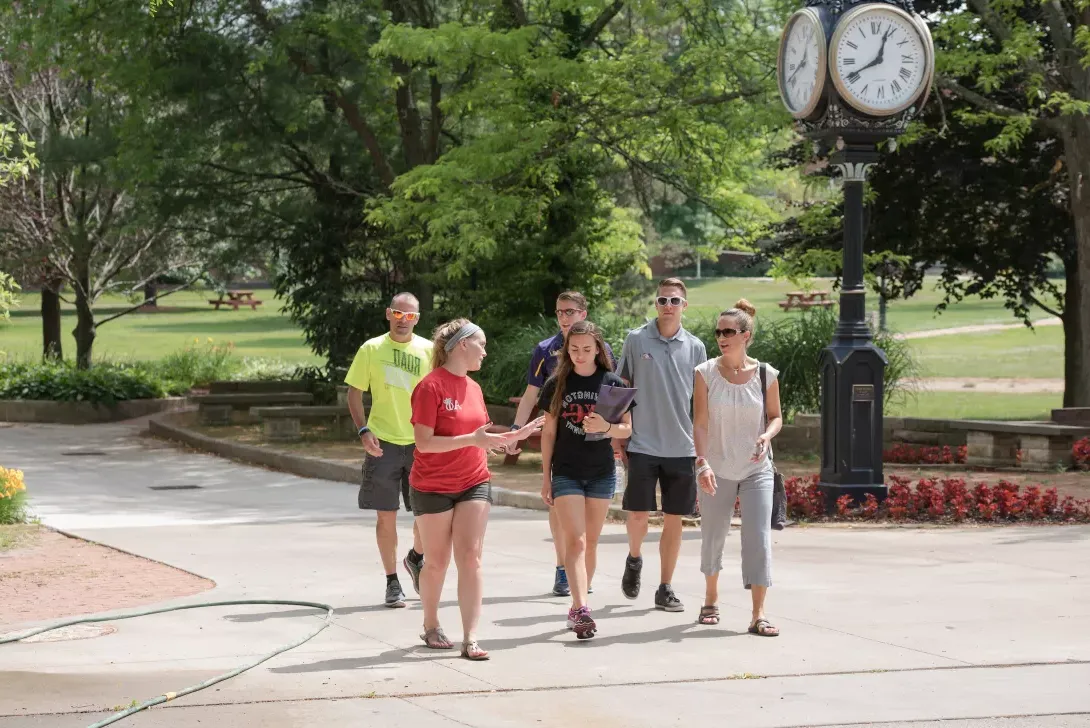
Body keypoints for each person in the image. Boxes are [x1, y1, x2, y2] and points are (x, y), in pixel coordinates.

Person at [411, 318, 544, 660]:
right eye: (481, 344)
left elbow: (480, 438)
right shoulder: (430, 387)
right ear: (461, 346)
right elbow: (424, 444)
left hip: (474, 480)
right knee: (437, 562)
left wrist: (510, 439)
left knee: (470, 558)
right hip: (432, 485)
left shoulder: (474, 388)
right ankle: (430, 625)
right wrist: (474, 439)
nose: (485, 351)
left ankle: (471, 637)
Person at [508, 291, 614, 597]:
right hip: (563, 448)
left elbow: (612, 401)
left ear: (583, 313)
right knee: (560, 514)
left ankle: (579, 577)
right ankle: (562, 568)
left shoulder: (600, 348)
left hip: (596, 454)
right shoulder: (545, 350)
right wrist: (517, 430)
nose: (564, 317)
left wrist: (614, 436)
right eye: (559, 312)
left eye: (570, 311)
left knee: (587, 535)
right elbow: (531, 394)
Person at [614, 278, 707, 612]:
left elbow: (702, 405)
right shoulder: (636, 340)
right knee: (638, 514)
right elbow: (620, 388)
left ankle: (665, 587)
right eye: (662, 300)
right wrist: (616, 434)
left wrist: (703, 451)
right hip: (641, 443)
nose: (668, 305)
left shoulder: (696, 347)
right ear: (655, 304)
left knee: (674, 519)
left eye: (675, 300)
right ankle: (635, 559)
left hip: (682, 448)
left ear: (685, 305)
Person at [692, 299, 783, 636]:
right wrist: (701, 463)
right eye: (718, 332)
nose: (721, 337)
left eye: (728, 331)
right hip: (716, 466)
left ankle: (759, 613)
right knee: (713, 536)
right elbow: (699, 424)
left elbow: (776, 417)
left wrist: (766, 434)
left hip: (757, 468)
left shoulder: (765, 374)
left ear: (746, 335)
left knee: (758, 538)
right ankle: (711, 599)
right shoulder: (704, 373)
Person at [538, 321, 633, 639]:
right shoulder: (557, 383)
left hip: (601, 472)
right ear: (567, 350)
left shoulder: (612, 383)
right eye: (574, 349)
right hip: (566, 471)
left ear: (599, 350)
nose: (580, 355)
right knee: (575, 541)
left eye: (586, 349)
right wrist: (546, 477)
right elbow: (549, 432)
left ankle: (578, 605)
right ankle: (581, 609)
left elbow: (626, 429)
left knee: (590, 542)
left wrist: (606, 427)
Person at [345, 292, 432, 608]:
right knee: (387, 516)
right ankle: (392, 581)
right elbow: (353, 394)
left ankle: (415, 557)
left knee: (425, 515)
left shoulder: (429, 351)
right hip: (382, 443)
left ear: (417, 319)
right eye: (398, 313)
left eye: (409, 315)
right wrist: (363, 430)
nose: (402, 319)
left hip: (421, 444)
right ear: (388, 314)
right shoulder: (371, 349)